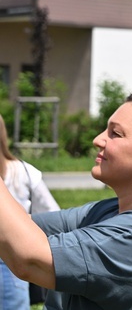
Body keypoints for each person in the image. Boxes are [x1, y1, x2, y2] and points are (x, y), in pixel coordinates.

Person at [0, 91, 132, 309]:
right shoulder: (107, 212)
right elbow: (14, 232)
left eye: (116, 133)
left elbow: (29, 258)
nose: (98, 140)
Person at [0, 112, 60, 308]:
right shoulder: (23, 172)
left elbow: (54, 215)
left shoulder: (23, 173)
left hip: (9, 262)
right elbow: (53, 213)